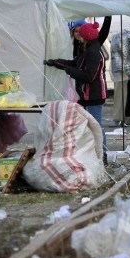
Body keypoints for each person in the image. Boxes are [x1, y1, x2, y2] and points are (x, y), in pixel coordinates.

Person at [45, 20, 109, 158]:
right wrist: (57, 63)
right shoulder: (88, 50)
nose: (78, 36)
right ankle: (93, 153)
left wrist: (69, 71)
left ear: (85, 37)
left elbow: (88, 76)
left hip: (94, 96)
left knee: (96, 126)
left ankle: (102, 154)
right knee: (88, 125)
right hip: (86, 95)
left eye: (80, 34)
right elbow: (75, 63)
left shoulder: (93, 53)